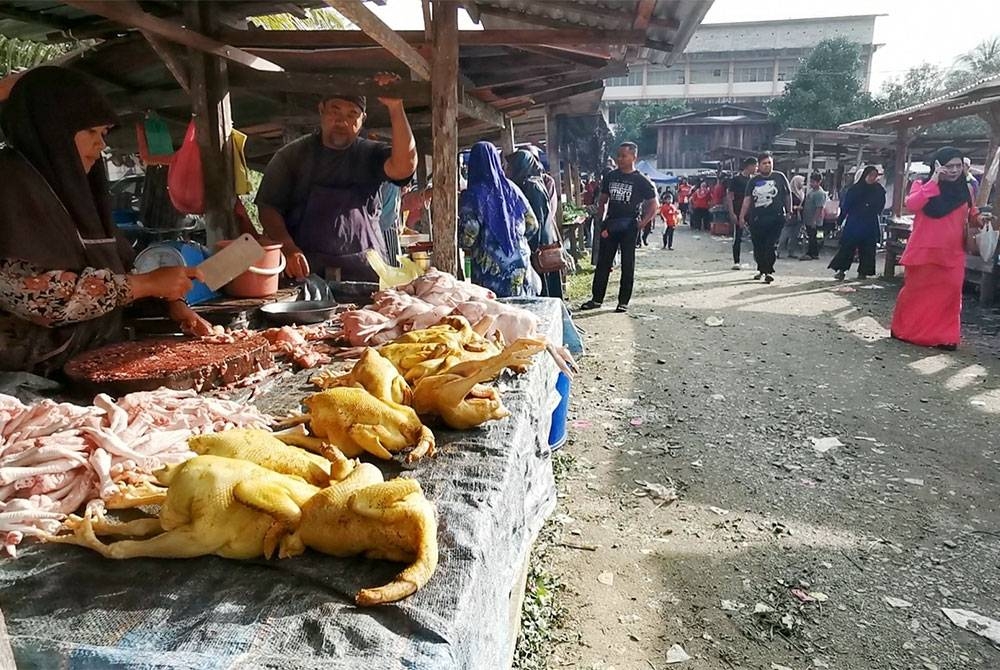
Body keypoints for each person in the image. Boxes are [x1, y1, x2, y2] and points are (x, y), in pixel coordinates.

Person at [0, 66, 210, 376]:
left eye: (103, 134)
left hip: (92, 362)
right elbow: (37, 297)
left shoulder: (79, 191)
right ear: (51, 127)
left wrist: (164, 303)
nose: (101, 145)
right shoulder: (10, 182)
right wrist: (146, 284)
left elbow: (114, 273)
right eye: (89, 132)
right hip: (27, 379)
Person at [255, 93, 417, 282]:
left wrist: (396, 108)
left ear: (362, 120)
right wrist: (288, 248)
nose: (342, 122)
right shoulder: (292, 156)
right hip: (306, 273)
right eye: (335, 111)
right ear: (322, 110)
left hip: (367, 274)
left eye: (352, 114)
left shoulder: (371, 153)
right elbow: (268, 208)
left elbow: (404, 168)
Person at [891, 147, 979, 350]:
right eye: (950, 166)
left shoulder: (966, 190)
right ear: (937, 166)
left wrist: (981, 219)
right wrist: (934, 181)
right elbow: (913, 204)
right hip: (924, 250)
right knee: (916, 293)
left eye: (958, 166)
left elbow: (971, 213)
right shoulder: (921, 184)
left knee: (950, 294)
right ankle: (905, 330)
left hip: (953, 251)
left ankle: (945, 337)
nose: (955, 170)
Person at [579, 142, 657, 313]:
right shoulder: (610, 176)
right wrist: (601, 216)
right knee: (603, 263)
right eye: (618, 155)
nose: (619, 159)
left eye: (624, 155)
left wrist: (643, 223)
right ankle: (596, 299)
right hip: (611, 224)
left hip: (630, 225)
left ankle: (623, 301)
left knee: (628, 264)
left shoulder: (641, 180)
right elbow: (604, 199)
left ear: (634, 157)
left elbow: (653, 203)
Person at [459, 142, 541, 298]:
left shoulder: (472, 195)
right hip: (520, 264)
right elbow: (532, 224)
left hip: (491, 271)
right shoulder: (512, 189)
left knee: (500, 317)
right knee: (524, 314)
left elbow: (469, 235)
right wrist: (515, 241)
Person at [507, 149, 563, 298]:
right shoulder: (529, 184)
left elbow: (536, 220)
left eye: (510, 166)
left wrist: (532, 247)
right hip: (540, 242)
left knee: (544, 284)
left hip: (540, 244)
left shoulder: (531, 186)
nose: (507, 170)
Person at [739, 151, 791, 284]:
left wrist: (789, 211)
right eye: (764, 163)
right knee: (758, 246)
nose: (767, 165)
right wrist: (741, 216)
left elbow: (787, 195)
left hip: (776, 218)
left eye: (769, 163)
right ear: (759, 166)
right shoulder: (753, 181)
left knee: (770, 245)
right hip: (757, 219)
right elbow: (747, 200)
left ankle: (768, 271)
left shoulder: (780, 177)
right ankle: (761, 269)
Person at [828, 166, 885, 280]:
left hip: (870, 223)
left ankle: (863, 272)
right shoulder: (855, 189)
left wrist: (871, 208)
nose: (872, 178)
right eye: (870, 175)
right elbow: (846, 206)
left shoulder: (879, 190)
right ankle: (841, 270)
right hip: (855, 222)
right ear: (865, 175)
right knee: (848, 247)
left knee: (868, 248)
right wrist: (840, 219)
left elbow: (881, 205)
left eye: (875, 175)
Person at [727, 157, 757, 270]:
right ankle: (736, 261)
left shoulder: (754, 180)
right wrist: (732, 213)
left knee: (755, 236)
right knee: (738, 236)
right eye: (755, 166)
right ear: (749, 166)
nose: (757, 168)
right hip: (738, 210)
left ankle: (758, 261)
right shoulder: (736, 179)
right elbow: (729, 197)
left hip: (752, 211)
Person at [800, 173, 828, 261]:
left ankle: (813, 253)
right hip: (808, 218)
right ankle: (812, 253)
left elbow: (819, 208)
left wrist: (814, 220)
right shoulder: (811, 191)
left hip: (815, 220)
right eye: (811, 182)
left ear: (819, 182)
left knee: (814, 237)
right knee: (811, 236)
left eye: (814, 182)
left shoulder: (820, 193)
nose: (812, 184)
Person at [777, 175, 805, 259]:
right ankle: (779, 251)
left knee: (794, 236)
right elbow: (786, 203)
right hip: (791, 216)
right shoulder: (790, 193)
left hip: (799, 217)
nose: (802, 184)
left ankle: (791, 251)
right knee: (785, 234)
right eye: (801, 182)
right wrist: (793, 208)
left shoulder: (801, 193)